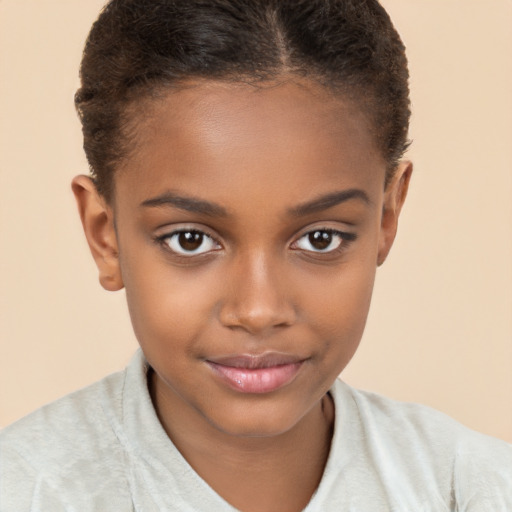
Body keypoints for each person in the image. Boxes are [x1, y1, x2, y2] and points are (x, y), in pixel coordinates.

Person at [0, 0, 510, 510]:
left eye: (320, 238)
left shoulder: (473, 489)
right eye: (190, 239)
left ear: (385, 218)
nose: (259, 310)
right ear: (104, 234)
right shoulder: (24, 490)